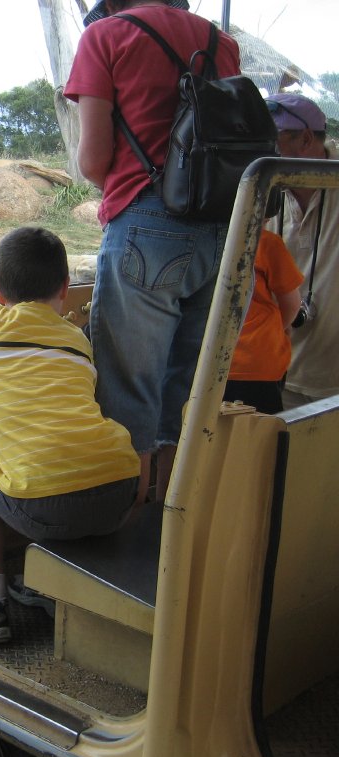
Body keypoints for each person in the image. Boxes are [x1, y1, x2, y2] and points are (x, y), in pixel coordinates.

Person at [0, 227, 139, 643]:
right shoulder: (76, 338)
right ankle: (50, 589)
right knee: (65, 461)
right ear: (65, 287)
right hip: (121, 493)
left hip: (43, 504)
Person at [63, 0, 242, 505]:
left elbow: (94, 159)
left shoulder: (106, 37)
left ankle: (129, 526)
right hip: (224, 228)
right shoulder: (219, 42)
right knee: (185, 390)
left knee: (128, 391)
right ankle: (173, 523)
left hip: (147, 221)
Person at [264, 92, 339, 409]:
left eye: (271, 138)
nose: (263, 148)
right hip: (277, 372)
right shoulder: (262, 187)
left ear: (306, 138)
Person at [223, 229, 303, 414]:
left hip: (205, 360)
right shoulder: (265, 242)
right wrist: (277, 328)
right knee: (262, 436)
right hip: (256, 360)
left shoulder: (200, 238)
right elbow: (292, 303)